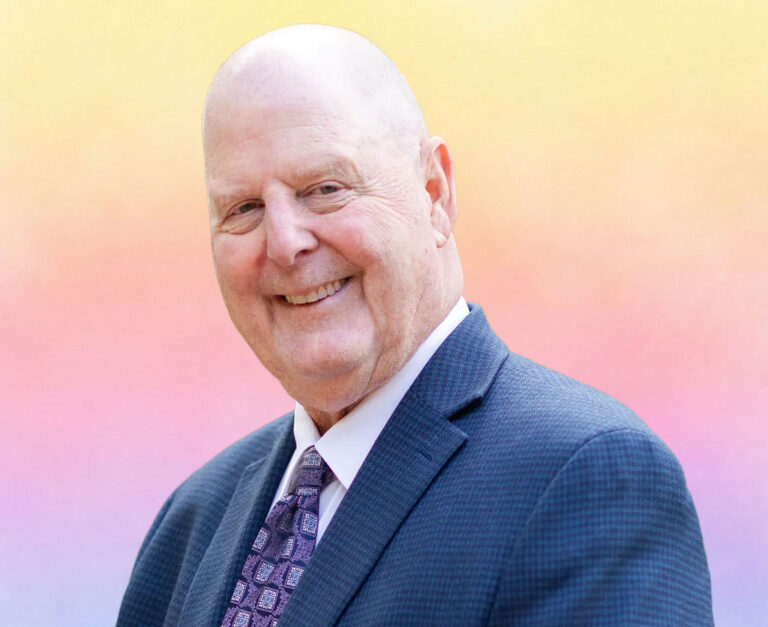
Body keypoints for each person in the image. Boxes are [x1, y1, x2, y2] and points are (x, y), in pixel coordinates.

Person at [118, 25, 712, 626]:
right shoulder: (194, 519)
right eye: (243, 208)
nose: (285, 242)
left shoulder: (585, 479)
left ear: (435, 192)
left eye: (324, 189)